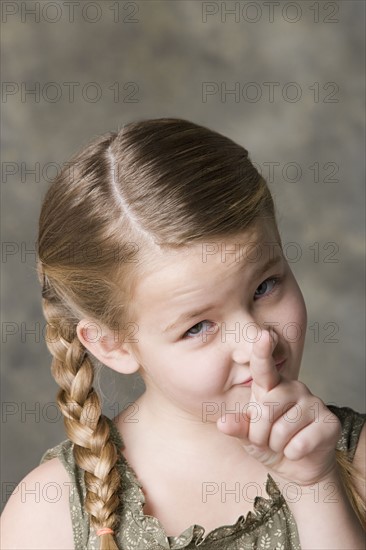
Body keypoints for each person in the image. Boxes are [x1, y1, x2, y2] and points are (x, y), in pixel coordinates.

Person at [1, 118, 365, 550]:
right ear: (111, 345)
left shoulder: (355, 460)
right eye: (198, 327)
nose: (258, 341)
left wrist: (314, 487)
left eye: (265, 287)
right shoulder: (48, 515)